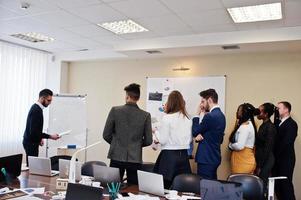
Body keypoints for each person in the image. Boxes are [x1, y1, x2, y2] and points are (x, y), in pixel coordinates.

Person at [103, 83, 153, 184]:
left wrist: (116, 144)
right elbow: (148, 140)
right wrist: (136, 144)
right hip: (135, 158)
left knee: (113, 187)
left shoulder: (115, 110)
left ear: (127, 96)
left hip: (116, 156)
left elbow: (106, 135)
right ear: (138, 98)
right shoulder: (145, 115)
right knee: (133, 190)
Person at [153, 91, 192, 188]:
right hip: (183, 156)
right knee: (181, 187)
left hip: (169, 157)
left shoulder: (167, 118)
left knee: (164, 187)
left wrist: (155, 131)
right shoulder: (188, 119)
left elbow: (163, 140)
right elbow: (190, 139)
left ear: (171, 103)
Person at [192, 89, 226, 179]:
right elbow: (214, 135)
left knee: (205, 187)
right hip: (214, 157)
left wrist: (197, 114)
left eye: (203, 101)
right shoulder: (221, 115)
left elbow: (195, 131)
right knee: (211, 186)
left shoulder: (210, 116)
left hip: (206, 158)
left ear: (210, 100)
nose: (201, 105)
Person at [23, 89, 60, 166]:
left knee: (33, 166)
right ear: (42, 98)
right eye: (48, 100)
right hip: (31, 143)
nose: (50, 103)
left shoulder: (37, 108)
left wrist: (39, 138)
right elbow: (33, 132)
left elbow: (35, 130)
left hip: (31, 141)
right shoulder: (36, 110)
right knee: (32, 167)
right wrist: (50, 136)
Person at [273, 101, 298, 200]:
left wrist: (275, 154)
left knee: (285, 186)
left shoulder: (292, 124)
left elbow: (286, 143)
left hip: (286, 160)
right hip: (277, 160)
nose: (277, 110)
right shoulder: (278, 122)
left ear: (286, 109)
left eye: (279, 108)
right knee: (277, 187)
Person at [229, 103, 257, 174]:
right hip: (243, 160)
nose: (237, 112)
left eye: (239, 110)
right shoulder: (249, 124)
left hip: (243, 161)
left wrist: (230, 145)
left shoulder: (245, 126)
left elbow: (240, 146)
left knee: (240, 183)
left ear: (244, 113)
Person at [255, 103, 277, 193]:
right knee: (259, 185)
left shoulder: (270, 127)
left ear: (266, 114)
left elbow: (267, 148)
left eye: (259, 111)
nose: (257, 113)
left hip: (266, 160)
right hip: (262, 158)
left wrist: (260, 165)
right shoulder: (263, 125)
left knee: (262, 186)